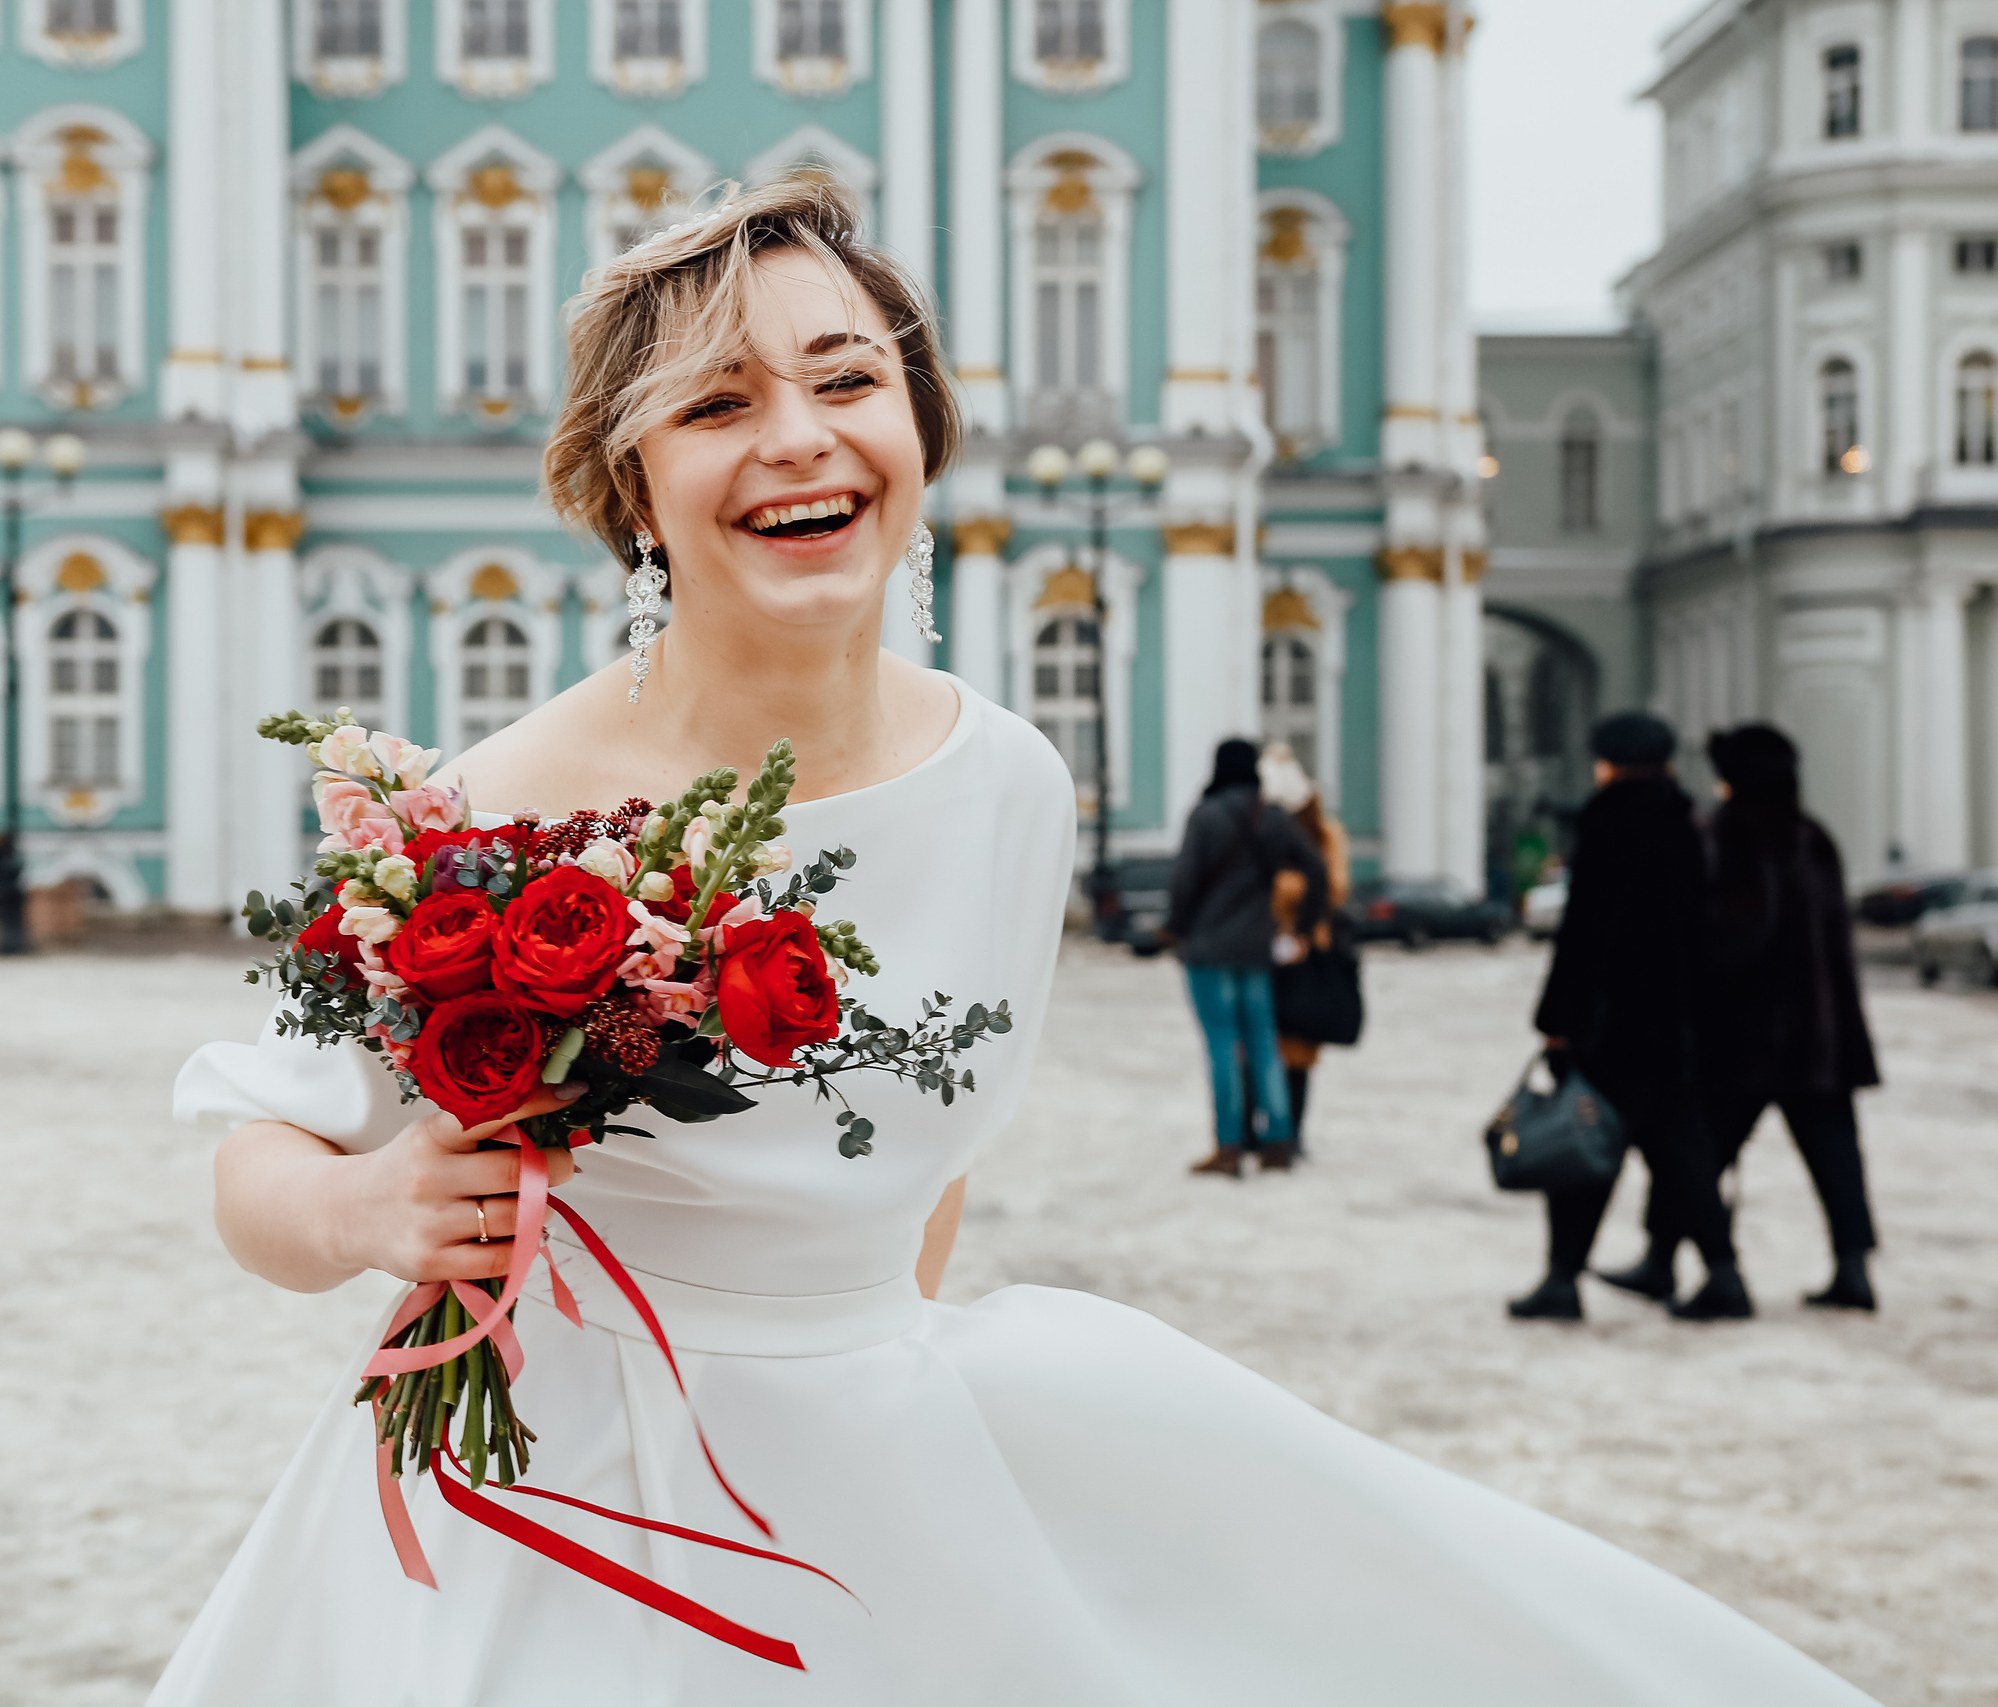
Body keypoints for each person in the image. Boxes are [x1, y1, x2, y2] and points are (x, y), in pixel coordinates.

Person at [154, 179, 1873, 1705]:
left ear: (921, 428)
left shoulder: (1007, 781)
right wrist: (361, 1208)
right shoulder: (497, 802)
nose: (801, 437)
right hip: (545, 1492)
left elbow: (936, 1170)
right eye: (721, 404)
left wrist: (882, 1462)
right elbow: (261, 1145)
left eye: (846, 380)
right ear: (633, 478)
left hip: (871, 1461)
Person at [1604, 725, 1880, 1312]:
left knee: (1693, 1154)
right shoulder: (1815, 837)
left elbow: (1737, 938)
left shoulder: (1734, 836)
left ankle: (1662, 1259)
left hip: (1748, 1037)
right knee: (1836, 1158)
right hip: (1823, 1037)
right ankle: (1853, 1270)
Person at [1523, 712, 1743, 1324]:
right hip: (1674, 1027)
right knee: (1686, 1161)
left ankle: (1562, 1279)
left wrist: (1557, 1018)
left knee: (1580, 1146)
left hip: (1610, 1024)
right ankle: (1725, 1274)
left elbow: (1584, 934)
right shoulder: (1688, 826)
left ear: (1610, 763)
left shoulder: (1608, 825)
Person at [1168, 737, 1327, 1176]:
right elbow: (1316, 867)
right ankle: (1278, 1140)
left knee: (1222, 1045)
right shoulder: (1271, 817)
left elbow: (1185, 882)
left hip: (1207, 948)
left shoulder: (1205, 816)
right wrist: (1305, 927)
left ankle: (1230, 1146)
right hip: (1257, 948)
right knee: (1262, 1043)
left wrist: (1176, 928)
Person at [1260, 743, 1350, 1152]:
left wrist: (1285, 892)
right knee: (1264, 1043)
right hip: (1267, 949)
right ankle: (1267, 1131)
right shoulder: (1267, 827)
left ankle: (1291, 1132)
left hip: (1310, 951)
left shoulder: (1325, 833)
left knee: (1299, 1047)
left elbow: (1334, 886)